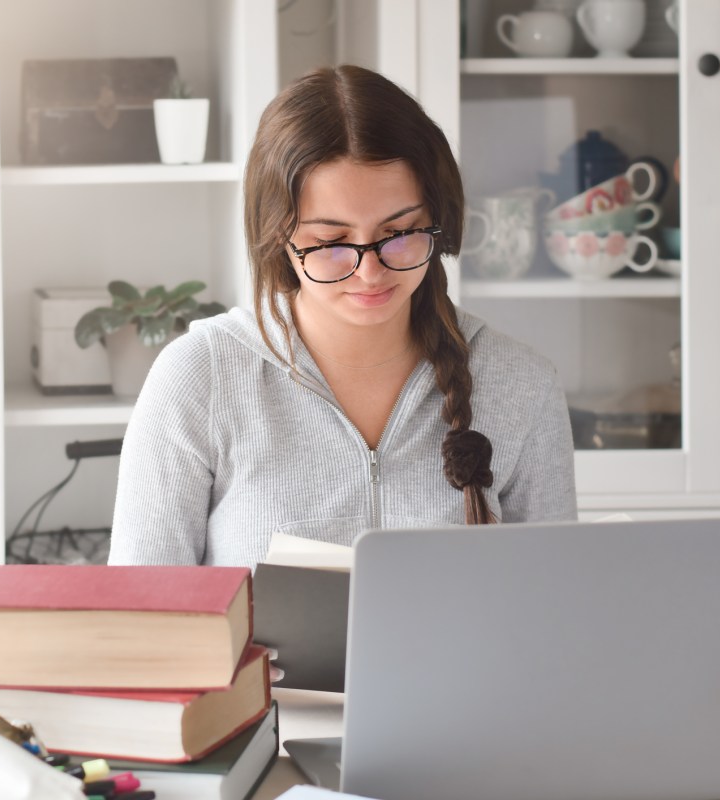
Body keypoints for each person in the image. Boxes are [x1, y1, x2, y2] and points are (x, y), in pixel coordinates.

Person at [107, 64, 576, 568]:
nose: (370, 272)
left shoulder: (523, 384)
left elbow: (556, 614)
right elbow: (146, 620)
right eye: (330, 242)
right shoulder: (199, 378)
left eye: (399, 233)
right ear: (278, 240)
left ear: (439, 220)